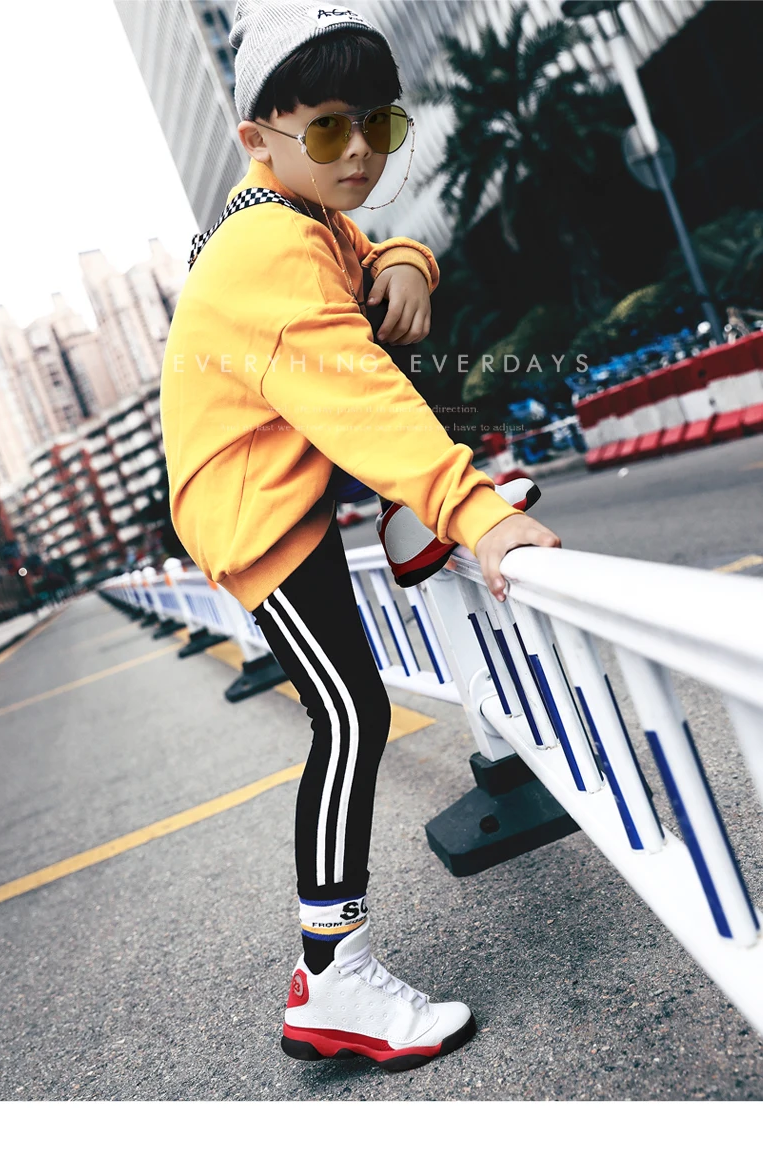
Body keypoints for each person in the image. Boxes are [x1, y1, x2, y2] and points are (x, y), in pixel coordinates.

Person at [160, 0, 561, 1071]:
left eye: (379, 125)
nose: (361, 154)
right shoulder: (269, 252)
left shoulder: (300, 215)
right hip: (253, 505)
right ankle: (331, 978)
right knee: (350, 715)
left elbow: (370, 252)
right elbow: (365, 406)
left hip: (284, 468)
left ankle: (404, 516)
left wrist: (409, 261)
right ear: (257, 138)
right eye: (331, 128)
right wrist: (480, 514)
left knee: (354, 707)